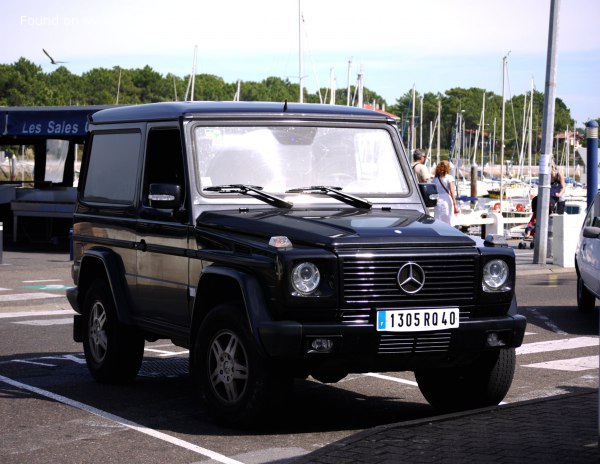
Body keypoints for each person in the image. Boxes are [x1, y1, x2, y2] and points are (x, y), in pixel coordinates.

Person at [432, 160, 459, 224]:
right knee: (447, 218)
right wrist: (455, 205)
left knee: (438, 218)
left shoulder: (435, 179)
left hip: (437, 200)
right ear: (447, 168)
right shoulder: (449, 178)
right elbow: (452, 192)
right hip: (446, 200)